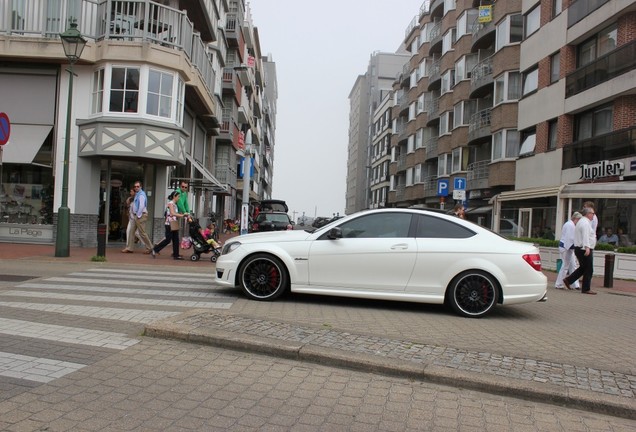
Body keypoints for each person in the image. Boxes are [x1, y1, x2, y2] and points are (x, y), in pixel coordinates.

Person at [563, 207, 597, 295]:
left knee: (583, 267)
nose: (593, 215)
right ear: (588, 214)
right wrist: (587, 247)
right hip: (583, 248)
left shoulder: (583, 222)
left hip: (580, 248)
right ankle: (586, 288)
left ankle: (568, 280)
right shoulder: (585, 223)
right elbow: (585, 236)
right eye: (592, 213)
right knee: (589, 269)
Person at [151, 191, 187, 260]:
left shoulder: (175, 204)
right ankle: (155, 249)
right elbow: (172, 213)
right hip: (169, 224)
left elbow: (175, 213)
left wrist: (182, 214)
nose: (179, 198)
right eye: (178, 196)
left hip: (174, 223)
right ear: (174, 196)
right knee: (168, 239)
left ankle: (176, 255)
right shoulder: (170, 203)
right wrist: (182, 215)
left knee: (176, 239)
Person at [122, 181, 153, 254]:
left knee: (142, 233)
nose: (136, 188)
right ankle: (129, 248)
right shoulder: (137, 194)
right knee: (131, 231)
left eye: (138, 186)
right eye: (135, 186)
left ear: (141, 187)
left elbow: (141, 206)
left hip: (140, 215)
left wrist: (138, 215)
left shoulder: (141, 195)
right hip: (137, 215)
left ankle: (150, 248)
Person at [555, 212, 582, 290]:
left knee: (572, 265)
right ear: (576, 219)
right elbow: (570, 239)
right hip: (566, 247)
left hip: (567, 247)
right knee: (566, 266)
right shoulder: (570, 225)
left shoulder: (569, 224)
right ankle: (559, 284)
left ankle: (575, 284)